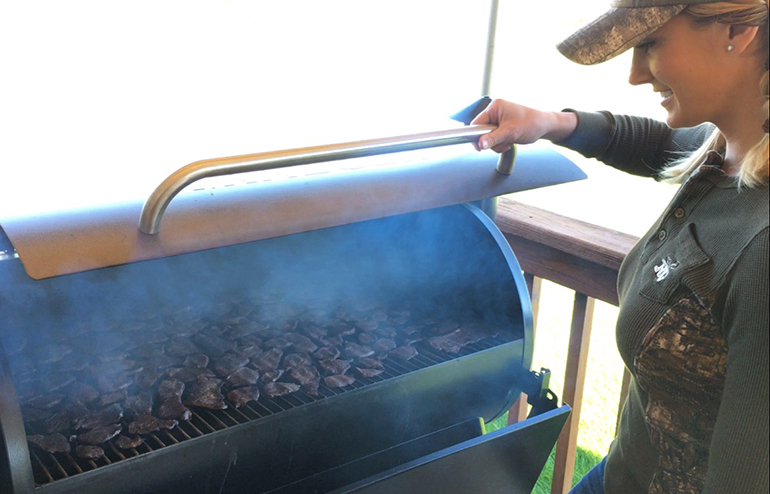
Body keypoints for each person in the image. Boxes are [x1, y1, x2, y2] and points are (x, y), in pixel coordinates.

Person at [471, 0, 769, 493]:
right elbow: (655, 144)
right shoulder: (726, 152)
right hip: (619, 475)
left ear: (737, 29)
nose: (634, 75)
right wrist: (550, 122)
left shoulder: (761, 249)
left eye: (650, 44)